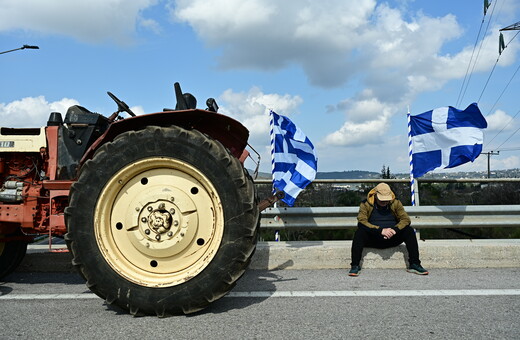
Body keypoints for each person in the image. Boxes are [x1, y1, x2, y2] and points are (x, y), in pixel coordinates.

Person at [348, 182, 428, 276]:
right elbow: (362, 222)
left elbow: (406, 219)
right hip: (374, 238)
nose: (384, 202)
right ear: (375, 195)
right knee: (359, 232)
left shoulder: (396, 203)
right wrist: (380, 231)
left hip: (392, 236)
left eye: (386, 199)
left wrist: (394, 230)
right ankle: (355, 266)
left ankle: (415, 264)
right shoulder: (366, 204)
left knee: (409, 231)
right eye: (382, 200)